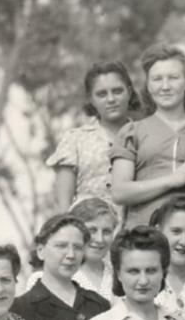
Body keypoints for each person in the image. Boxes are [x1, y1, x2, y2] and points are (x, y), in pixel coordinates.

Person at [111, 44, 185, 229]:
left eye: (173, 78)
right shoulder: (132, 131)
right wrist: (173, 179)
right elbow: (119, 192)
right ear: (148, 86)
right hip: (144, 235)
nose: (165, 87)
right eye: (157, 79)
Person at [48, 60, 139, 211]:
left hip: (136, 223)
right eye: (102, 94)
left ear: (129, 92)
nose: (111, 99)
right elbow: (64, 207)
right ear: (91, 99)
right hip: (87, 223)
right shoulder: (75, 139)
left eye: (117, 91)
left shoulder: (145, 135)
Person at [65, 196, 120, 297]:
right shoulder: (62, 277)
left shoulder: (118, 277)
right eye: (92, 230)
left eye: (106, 231)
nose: (100, 239)